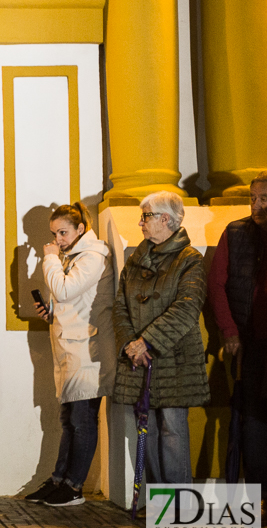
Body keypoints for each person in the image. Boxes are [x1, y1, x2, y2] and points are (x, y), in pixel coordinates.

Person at [113, 191, 209, 488]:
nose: (140, 222)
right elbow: (119, 306)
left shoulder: (190, 260)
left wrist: (147, 341)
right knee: (147, 428)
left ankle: (180, 501)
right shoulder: (135, 259)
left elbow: (187, 308)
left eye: (146, 216)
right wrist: (131, 343)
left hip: (173, 358)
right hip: (138, 358)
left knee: (173, 429)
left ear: (165, 219)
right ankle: (159, 502)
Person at [25, 202, 115, 507]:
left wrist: (48, 260)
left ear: (81, 229)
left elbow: (64, 290)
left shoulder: (92, 257)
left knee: (82, 420)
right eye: (54, 234)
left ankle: (74, 487)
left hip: (88, 351)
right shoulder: (74, 256)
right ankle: (59, 480)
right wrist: (51, 313)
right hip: (72, 348)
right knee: (69, 419)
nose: (57, 240)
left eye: (63, 232)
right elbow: (71, 301)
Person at [208, 170, 267, 523]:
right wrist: (229, 331)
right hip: (250, 343)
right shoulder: (236, 232)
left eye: (264, 198)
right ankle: (260, 499)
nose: (256, 205)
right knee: (253, 420)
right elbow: (216, 283)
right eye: (253, 197)